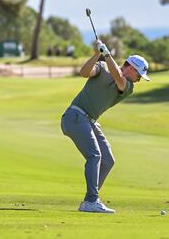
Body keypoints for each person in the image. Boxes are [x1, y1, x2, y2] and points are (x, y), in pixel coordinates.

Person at [60, 39, 150, 214]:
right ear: (131, 68)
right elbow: (84, 72)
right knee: (94, 155)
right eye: (139, 75)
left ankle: (89, 199)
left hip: (89, 121)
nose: (139, 80)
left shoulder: (128, 86)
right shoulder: (102, 66)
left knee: (107, 160)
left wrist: (107, 54)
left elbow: (118, 78)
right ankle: (92, 201)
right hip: (75, 116)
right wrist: (96, 54)